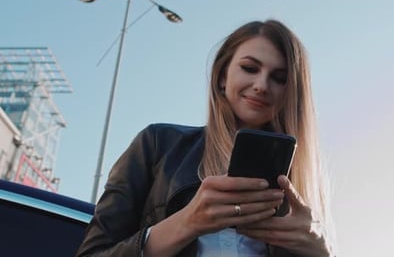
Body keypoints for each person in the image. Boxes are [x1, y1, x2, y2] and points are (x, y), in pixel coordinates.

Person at [77, 19, 334, 257]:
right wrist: (187, 222)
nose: (261, 85)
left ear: (293, 93)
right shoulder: (157, 145)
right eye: (249, 68)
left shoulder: (301, 187)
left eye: (280, 78)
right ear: (222, 76)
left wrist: (322, 251)